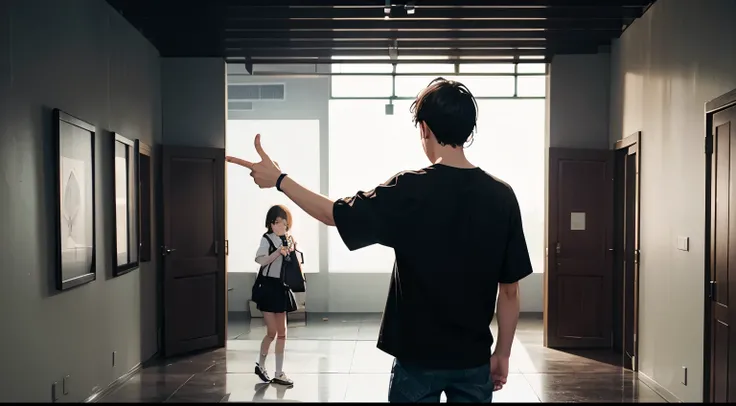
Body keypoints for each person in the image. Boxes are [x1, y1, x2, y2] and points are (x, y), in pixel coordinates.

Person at [227, 77, 533, 403]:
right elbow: (510, 291)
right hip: (472, 359)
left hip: (416, 358)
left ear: (425, 128)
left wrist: (280, 180)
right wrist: (502, 353)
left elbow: (335, 214)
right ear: (468, 130)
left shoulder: (410, 190)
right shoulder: (502, 197)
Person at [252, 204, 297, 387]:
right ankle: (261, 365)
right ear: (270, 224)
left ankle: (279, 373)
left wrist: (292, 251)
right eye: (277, 222)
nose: (281, 226)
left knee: (283, 334)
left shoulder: (288, 239)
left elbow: (293, 263)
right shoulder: (267, 239)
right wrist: (277, 252)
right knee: (271, 332)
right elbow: (261, 261)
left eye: (284, 223)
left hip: (281, 287)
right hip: (267, 287)